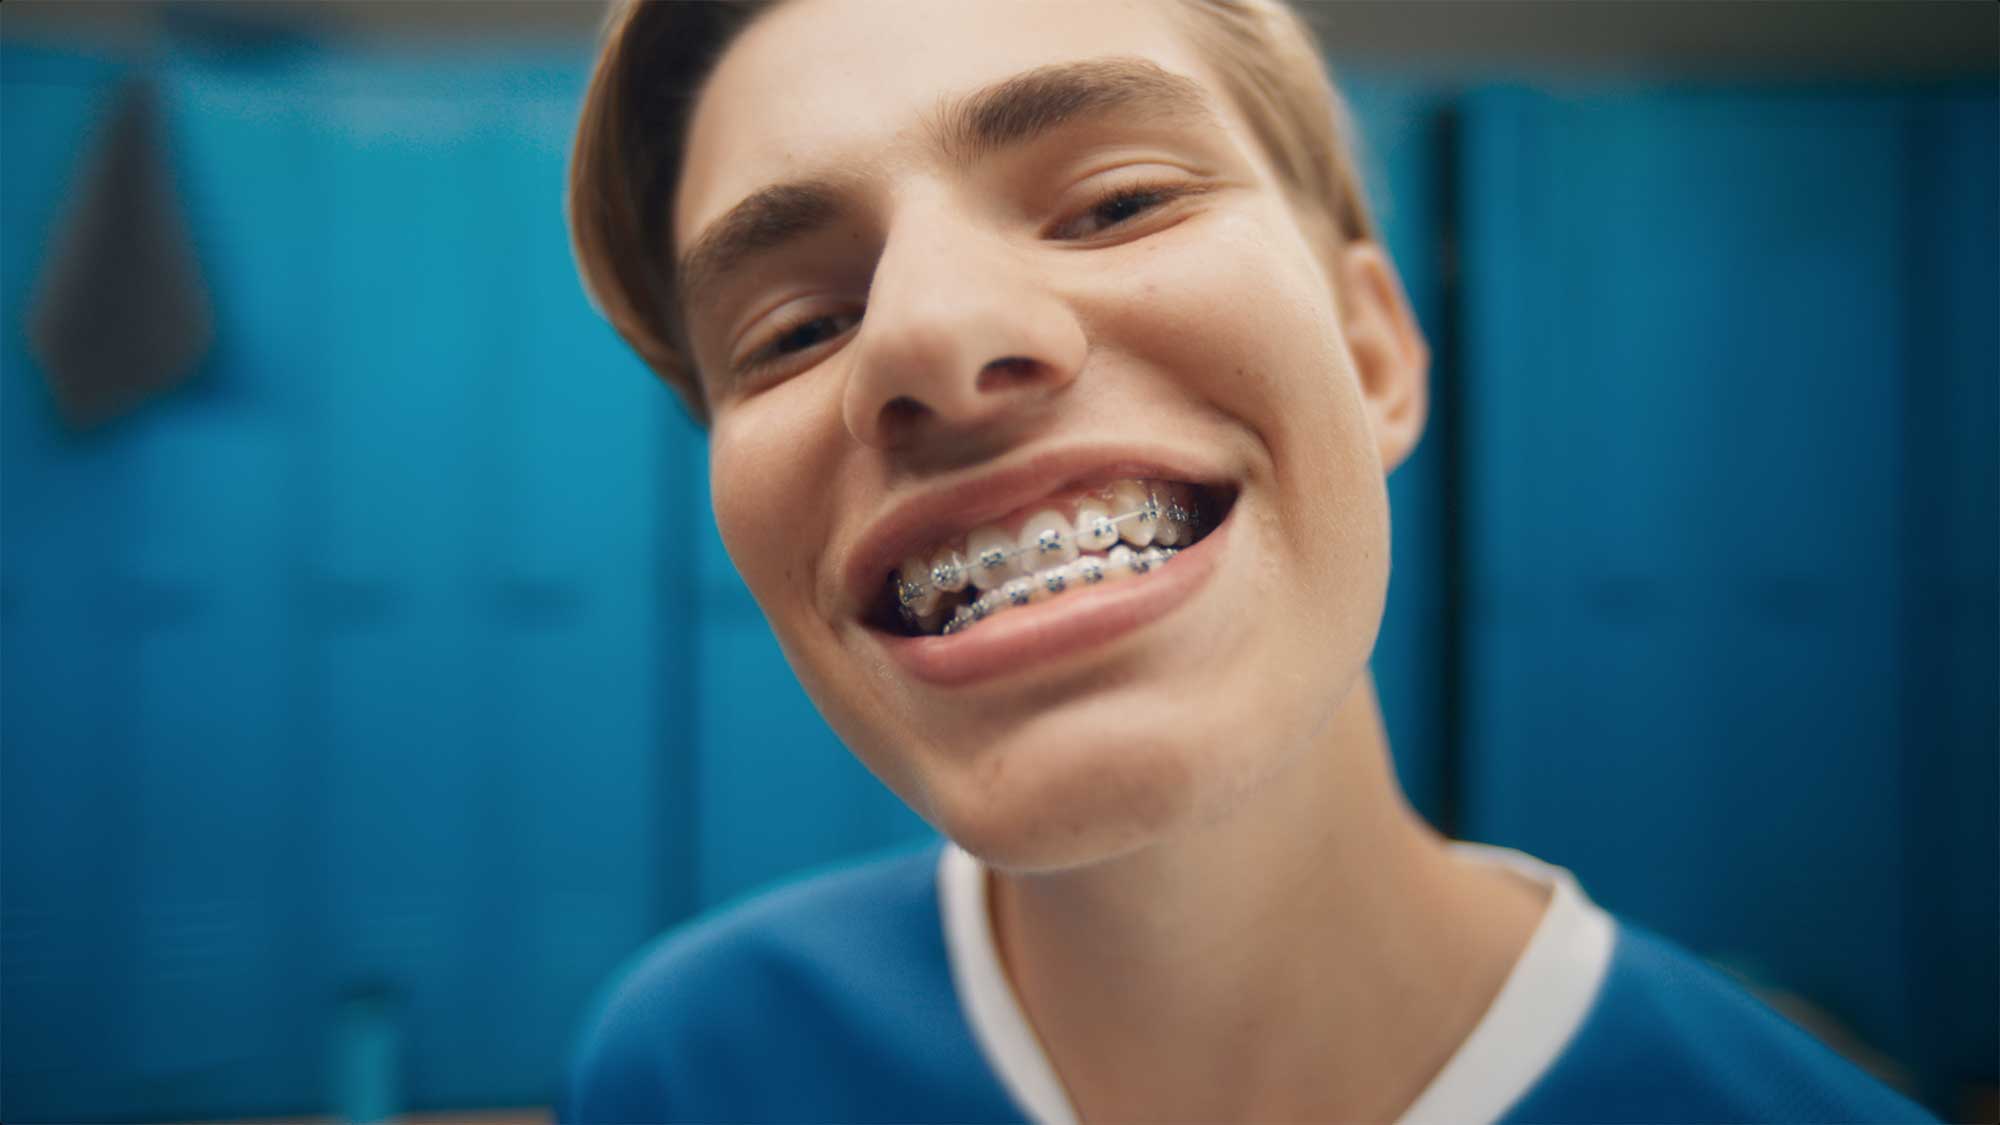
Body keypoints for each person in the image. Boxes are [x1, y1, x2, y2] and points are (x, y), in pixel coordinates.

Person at [557, 1, 1934, 1121]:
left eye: (1113, 203)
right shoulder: (691, 1070)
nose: (926, 334)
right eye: (794, 329)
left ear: (1375, 351)